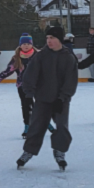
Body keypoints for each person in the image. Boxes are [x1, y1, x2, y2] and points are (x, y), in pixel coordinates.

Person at [17, 26, 77, 171]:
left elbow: (71, 81)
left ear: (59, 39)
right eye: (47, 38)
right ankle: (28, 152)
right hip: (43, 98)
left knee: (62, 127)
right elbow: (30, 75)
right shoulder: (41, 56)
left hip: (61, 100)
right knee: (36, 127)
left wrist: (62, 98)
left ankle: (60, 152)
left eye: (52, 38)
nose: (49, 41)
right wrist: (29, 92)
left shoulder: (68, 58)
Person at [0, 33, 39, 139]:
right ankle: (27, 126)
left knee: (39, 105)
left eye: (28, 43)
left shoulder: (38, 56)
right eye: (24, 44)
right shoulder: (16, 58)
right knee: (26, 106)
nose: (26, 46)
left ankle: (44, 123)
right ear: (20, 45)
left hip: (37, 85)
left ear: (32, 44)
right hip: (22, 86)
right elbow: (7, 71)